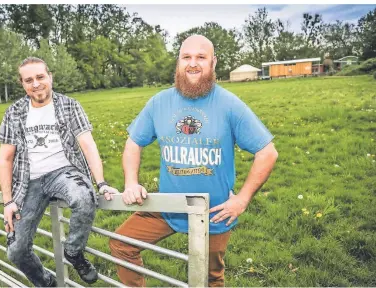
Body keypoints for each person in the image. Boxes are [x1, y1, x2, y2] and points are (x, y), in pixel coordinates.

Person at [109, 35, 278, 287]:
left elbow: (268, 152)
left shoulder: (230, 105)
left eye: (201, 57)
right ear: (178, 62)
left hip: (214, 212)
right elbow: (133, 142)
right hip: (167, 206)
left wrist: (242, 199)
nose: (193, 63)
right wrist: (131, 182)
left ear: (213, 62)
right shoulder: (159, 103)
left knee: (210, 278)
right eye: (186, 57)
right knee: (121, 243)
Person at [0, 57, 118, 286]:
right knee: (16, 251)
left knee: (84, 197)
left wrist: (100, 183)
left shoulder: (69, 105)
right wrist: (7, 201)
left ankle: (73, 252)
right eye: (29, 80)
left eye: (40, 77)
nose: (36, 84)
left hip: (64, 172)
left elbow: (88, 145)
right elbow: (5, 158)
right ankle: (48, 283)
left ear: (50, 77)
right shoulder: (13, 113)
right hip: (28, 181)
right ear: (22, 84)